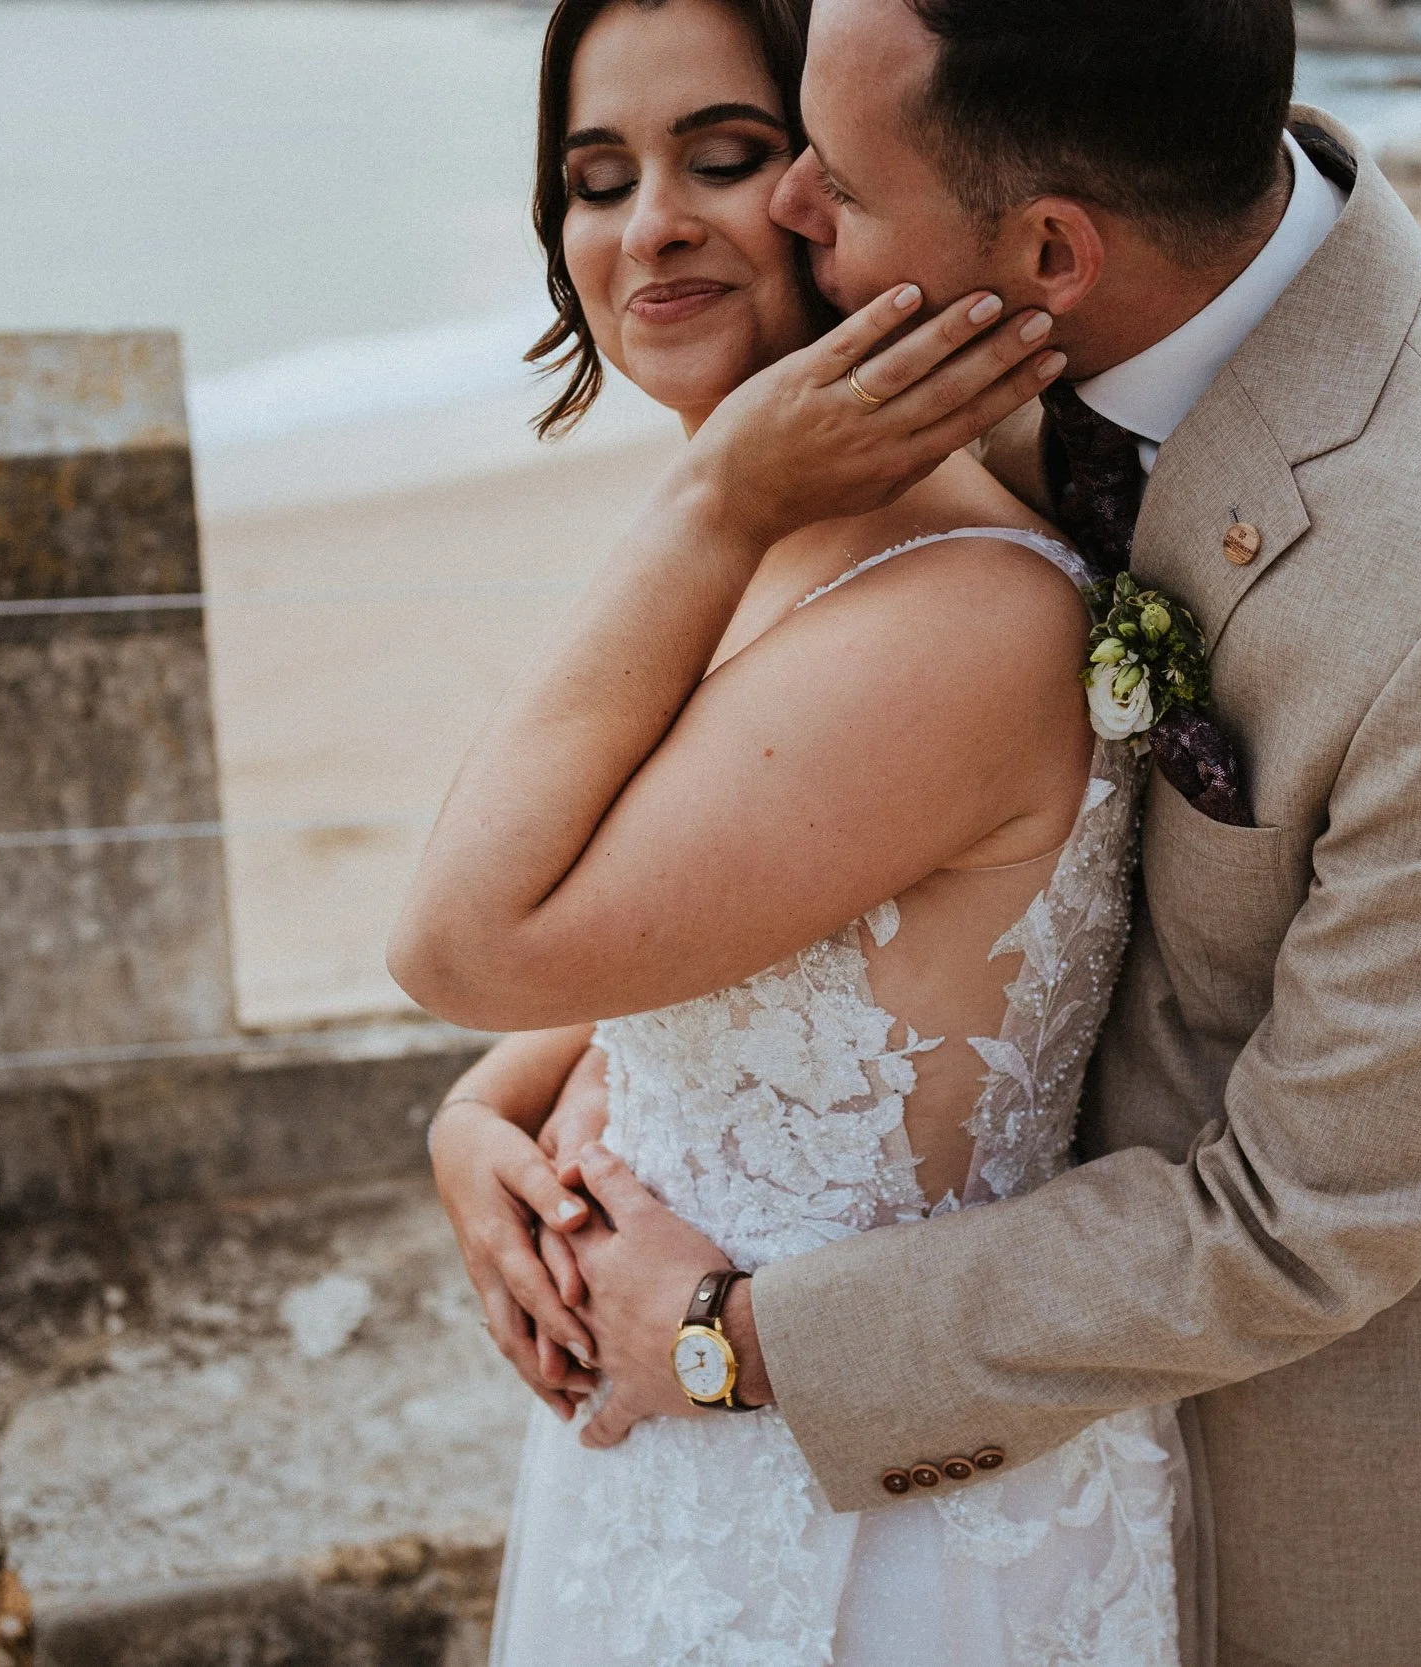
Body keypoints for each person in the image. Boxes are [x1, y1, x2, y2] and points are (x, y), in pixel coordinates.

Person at [429, 0, 1421, 1664]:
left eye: (829, 175)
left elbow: (1295, 1223)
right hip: (997, 1385)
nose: (794, 221)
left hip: (1345, 1471)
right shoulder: (963, 320)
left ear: (1051, 251)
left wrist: (720, 1340)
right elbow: (800, 848)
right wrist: (493, 1103)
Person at [391, 0, 1191, 1659]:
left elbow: (455, 937)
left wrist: (709, 495)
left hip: (876, 1530)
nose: (651, 222)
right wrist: (479, 1119)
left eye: (726, 156)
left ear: (832, 192)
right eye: (595, 177)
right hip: (676, 1482)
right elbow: (697, 936)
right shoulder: (784, 550)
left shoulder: (960, 616)